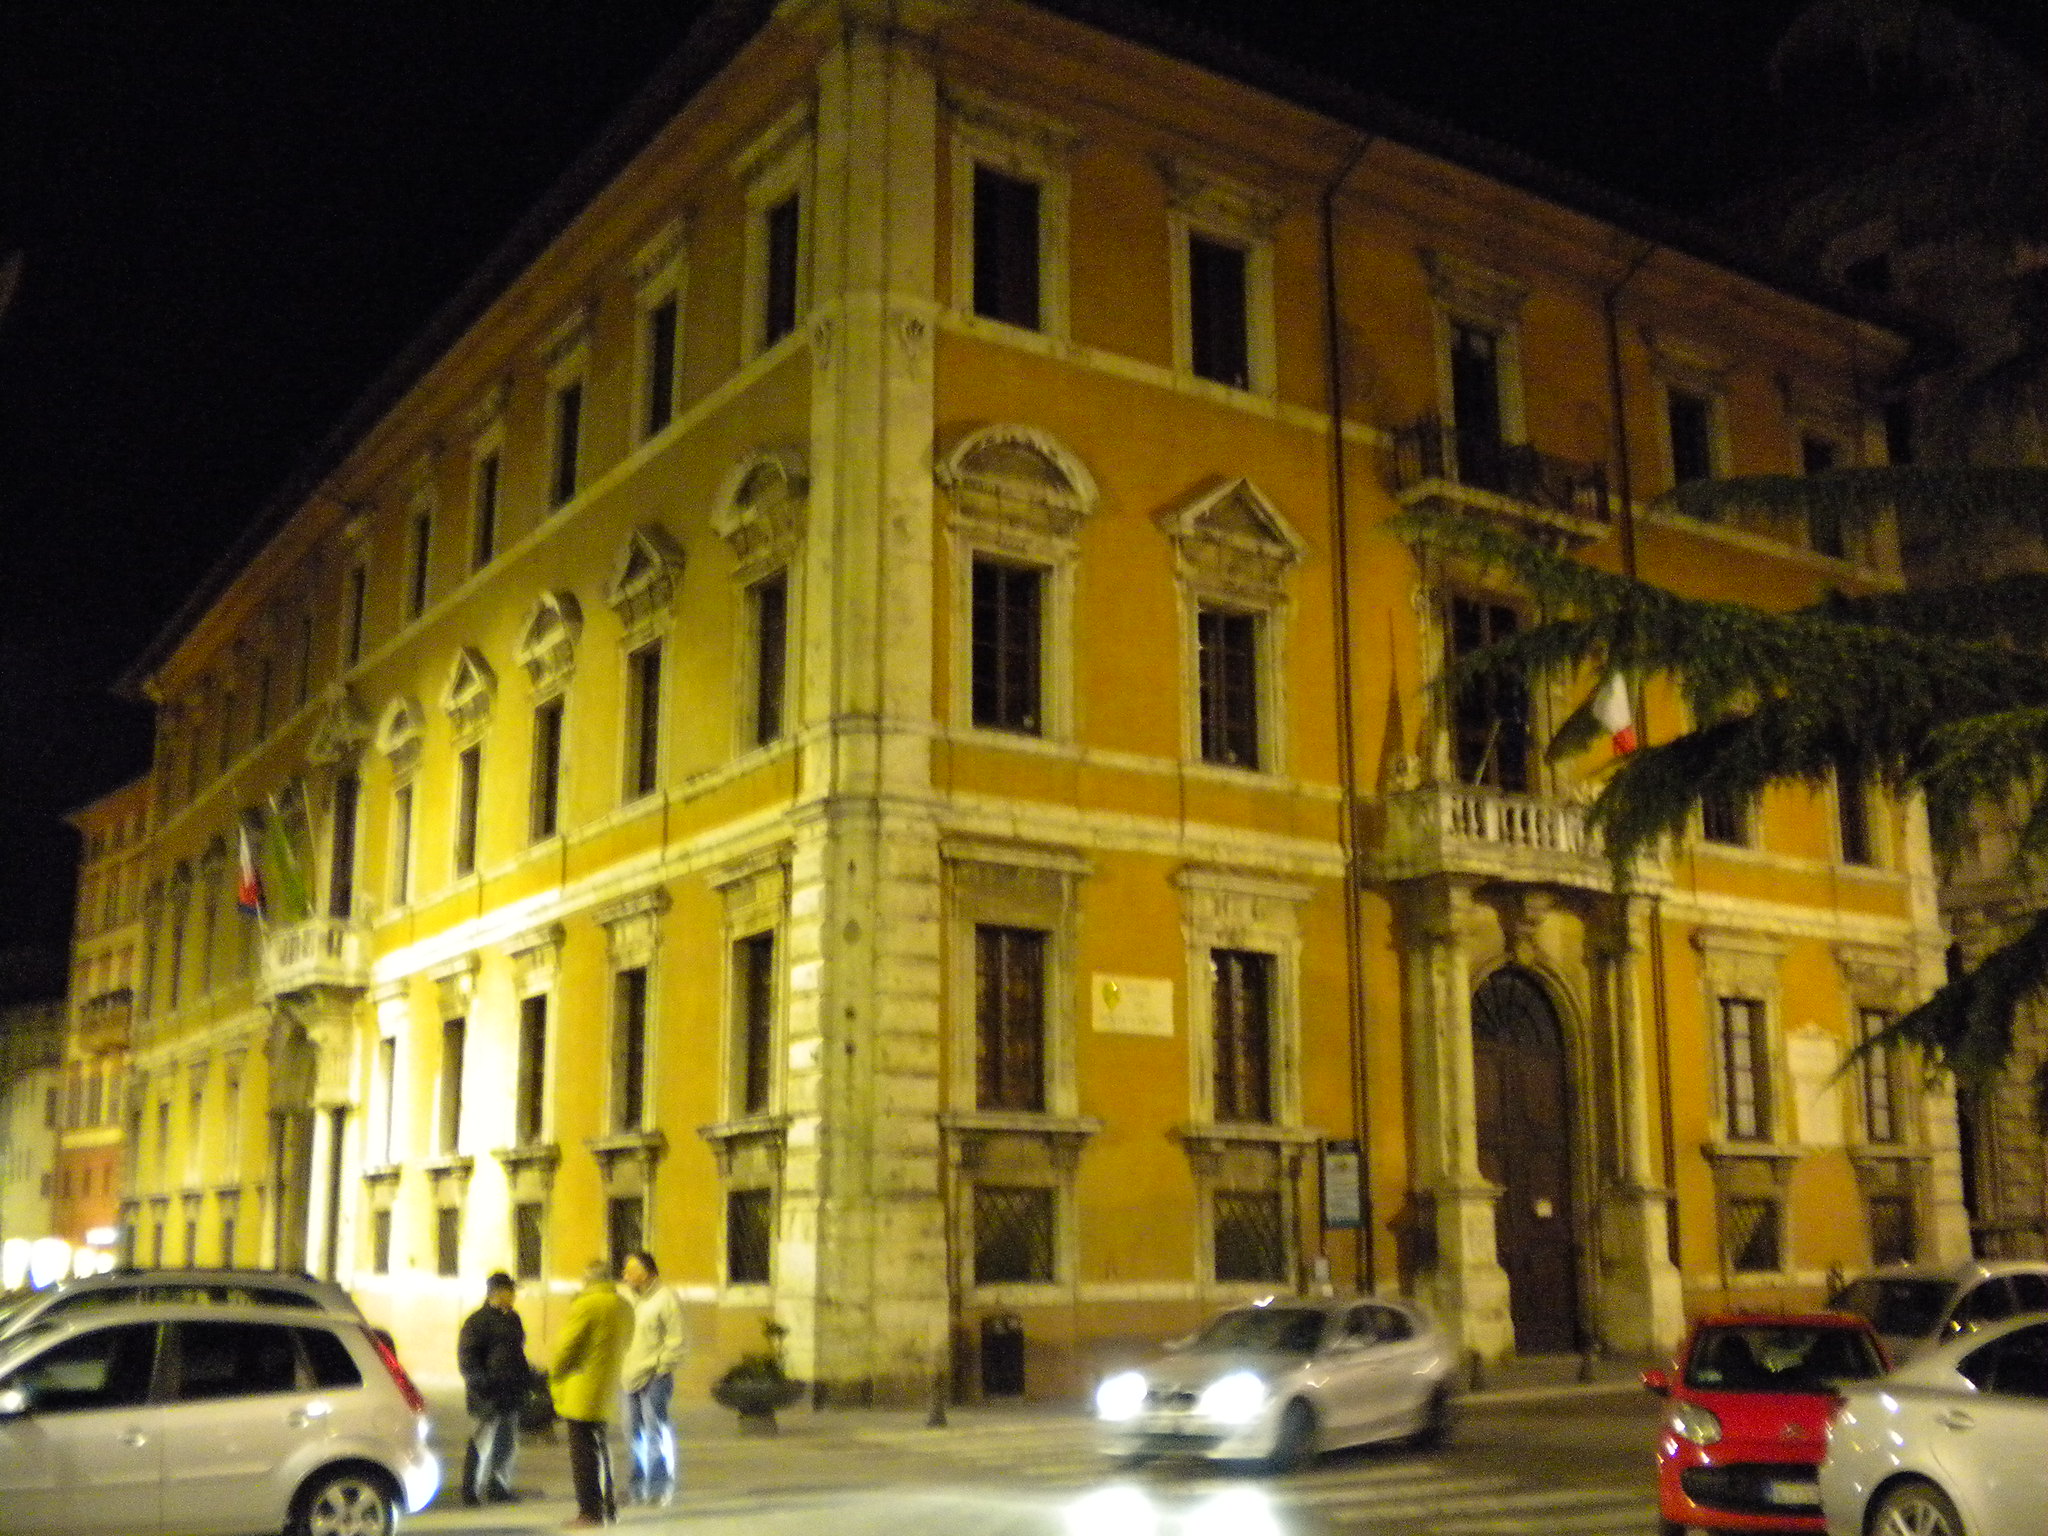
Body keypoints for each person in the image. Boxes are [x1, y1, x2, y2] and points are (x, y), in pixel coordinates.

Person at [550, 1258, 635, 1528]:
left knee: (582, 1453)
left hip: (582, 1386)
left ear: (589, 1280)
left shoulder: (586, 1305)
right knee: (602, 1447)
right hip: (608, 1384)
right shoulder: (624, 1305)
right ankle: (608, 1507)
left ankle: (589, 1511)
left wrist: (556, 1370)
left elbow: (567, 1347)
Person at [619, 1249, 689, 1504]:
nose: (625, 1275)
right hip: (628, 1375)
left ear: (646, 1273)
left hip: (654, 1377)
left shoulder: (666, 1299)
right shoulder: (626, 1298)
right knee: (631, 1431)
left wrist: (661, 1368)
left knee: (654, 1430)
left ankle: (659, 1485)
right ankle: (637, 1484)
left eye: (630, 1270)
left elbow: (676, 1339)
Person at [456, 1271, 528, 1506]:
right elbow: (467, 1357)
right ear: (496, 1293)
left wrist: (528, 1377)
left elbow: (517, 1353)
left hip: (511, 1391)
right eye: (510, 1291)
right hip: (487, 1393)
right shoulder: (476, 1322)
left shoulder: (513, 1319)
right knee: (482, 1441)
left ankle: (499, 1487)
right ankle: (471, 1490)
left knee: (507, 1443)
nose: (514, 1296)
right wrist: (480, 1381)